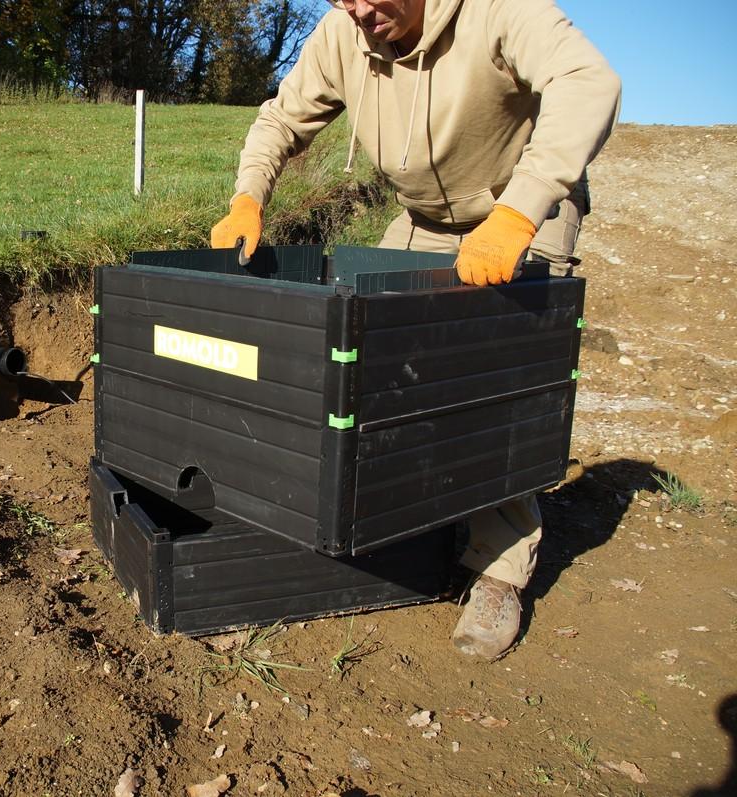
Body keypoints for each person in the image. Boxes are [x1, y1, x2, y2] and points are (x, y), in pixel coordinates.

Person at [211, 0, 621, 658]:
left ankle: (499, 567)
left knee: (494, 373)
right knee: (372, 356)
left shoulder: (496, 10)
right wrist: (247, 195)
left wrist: (519, 212)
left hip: (522, 207)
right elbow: (280, 118)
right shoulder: (344, 32)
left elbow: (589, 81)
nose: (359, 9)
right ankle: (391, 517)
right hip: (425, 218)